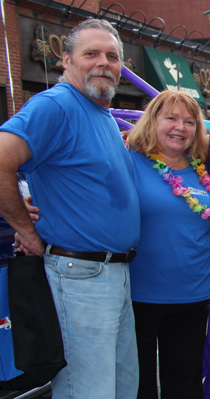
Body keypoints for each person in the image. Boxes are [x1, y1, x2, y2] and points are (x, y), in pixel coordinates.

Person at [0, 19, 140, 398]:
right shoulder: (57, 104)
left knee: (120, 389)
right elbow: (2, 158)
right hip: (80, 275)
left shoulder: (102, 114)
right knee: (88, 391)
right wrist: (25, 228)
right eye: (90, 53)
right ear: (66, 60)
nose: (102, 62)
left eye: (112, 56)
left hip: (113, 273)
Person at [126, 91, 210, 398]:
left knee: (184, 385)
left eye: (189, 121)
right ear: (152, 121)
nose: (180, 127)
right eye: (170, 118)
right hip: (139, 295)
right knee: (137, 386)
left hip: (192, 295)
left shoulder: (204, 168)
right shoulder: (128, 159)